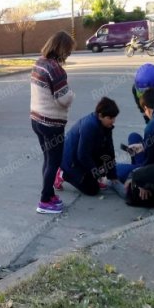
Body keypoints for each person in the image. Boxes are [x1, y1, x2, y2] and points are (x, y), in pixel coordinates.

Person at [30, 31, 76, 214]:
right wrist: (72, 94)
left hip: (37, 120)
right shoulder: (56, 69)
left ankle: (49, 194)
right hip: (51, 125)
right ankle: (44, 201)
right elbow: (64, 99)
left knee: (48, 160)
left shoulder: (39, 63)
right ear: (62, 49)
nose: (69, 54)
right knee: (54, 162)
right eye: (69, 50)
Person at [54, 97, 121, 196]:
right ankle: (63, 174)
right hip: (71, 161)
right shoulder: (89, 126)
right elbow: (82, 155)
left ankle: (92, 177)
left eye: (114, 118)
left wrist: (113, 176)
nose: (113, 121)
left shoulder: (106, 126)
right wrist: (97, 174)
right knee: (92, 190)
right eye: (110, 118)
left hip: (85, 154)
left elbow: (109, 150)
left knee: (105, 157)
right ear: (101, 116)